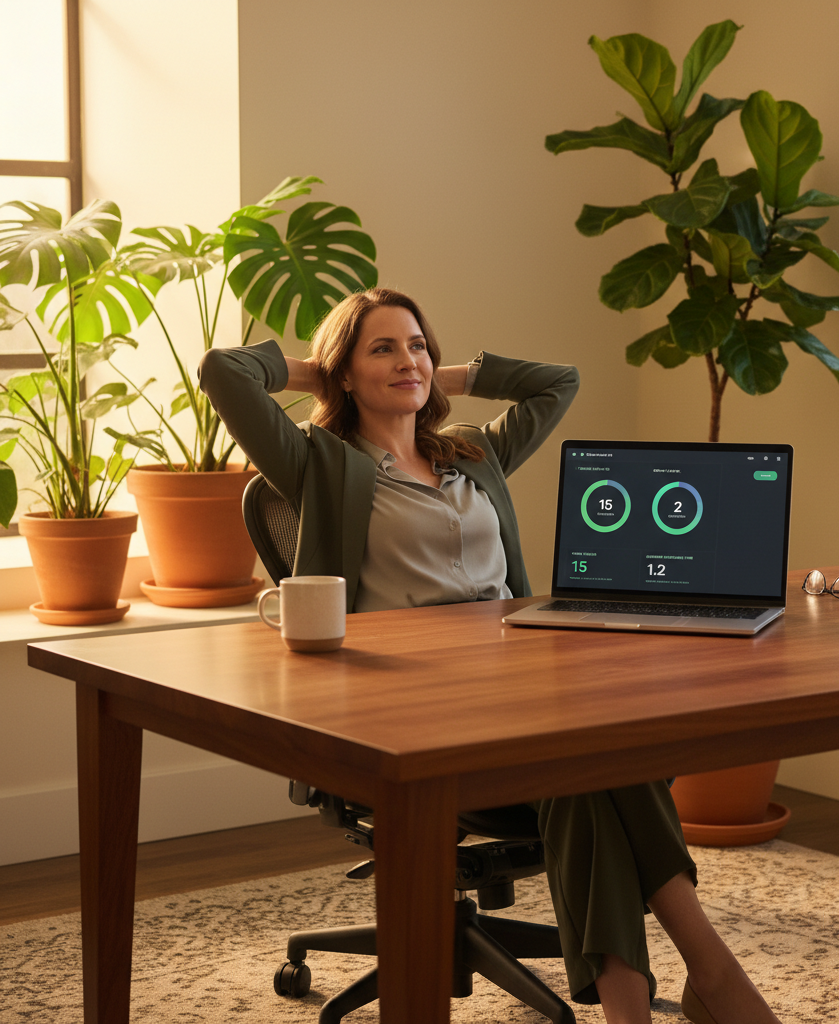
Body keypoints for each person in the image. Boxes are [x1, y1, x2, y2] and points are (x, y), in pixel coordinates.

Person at [198, 287, 782, 1024]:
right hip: (418, 715)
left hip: (526, 689)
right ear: (343, 372)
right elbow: (223, 369)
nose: (407, 359)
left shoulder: (472, 452)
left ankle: (651, 1004)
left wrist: (442, 376)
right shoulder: (320, 463)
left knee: (593, 760)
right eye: (382, 348)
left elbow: (557, 382)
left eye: (417, 344)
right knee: (590, 762)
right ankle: (714, 979)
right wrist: (321, 369)